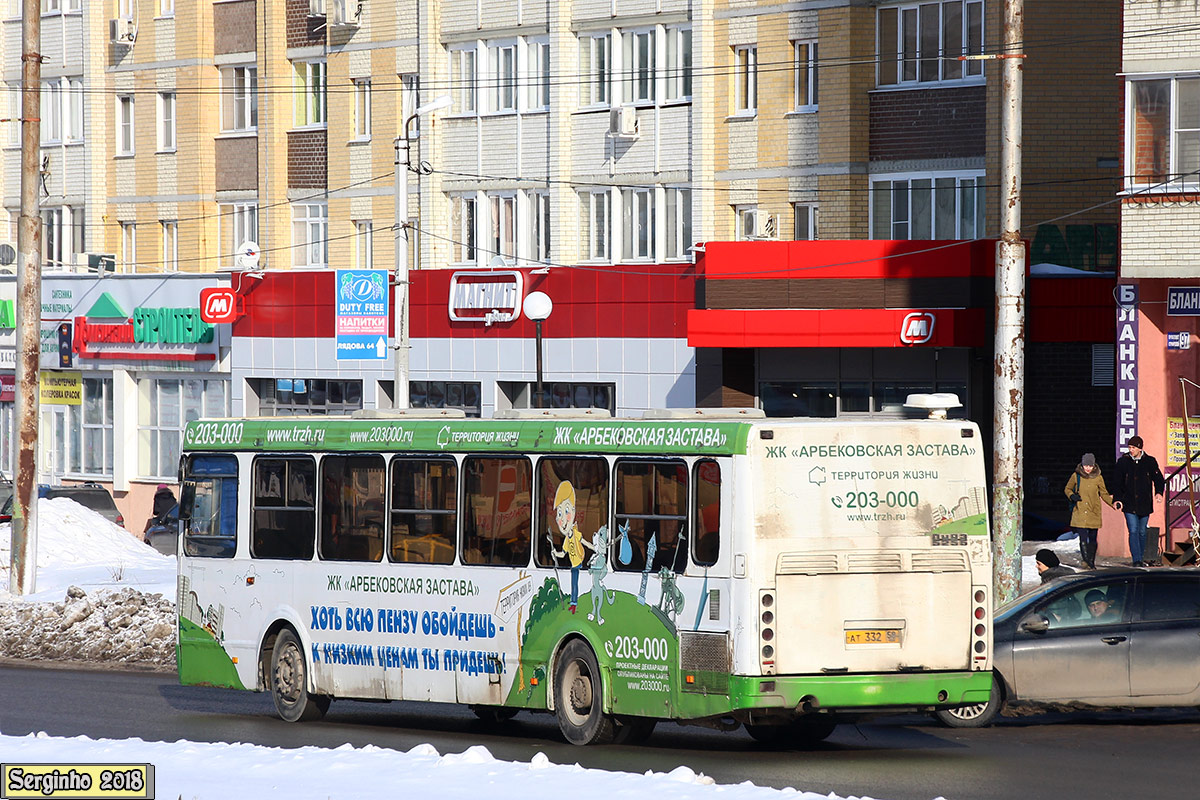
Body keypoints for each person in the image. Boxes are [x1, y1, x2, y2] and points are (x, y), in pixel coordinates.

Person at [1110, 435, 1166, 566]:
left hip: (1144, 503)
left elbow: (1158, 479)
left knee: (1142, 531)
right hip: (1128, 502)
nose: (1131, 450)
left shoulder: (1150, 461)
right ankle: (1136, 559)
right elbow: (1117, 482)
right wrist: (1117, 499)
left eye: (1133, 447)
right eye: (1129, 447)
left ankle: (1141, 558)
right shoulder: (1123, 462)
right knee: (1133, 530)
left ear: (1140, 448)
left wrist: (1158, 493)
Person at [1064, 453, 1114, 569]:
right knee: (1083, 537)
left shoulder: (1098, 477)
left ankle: (1091, 560)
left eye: (1090, 466)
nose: (1088, 468)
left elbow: (1104, 493)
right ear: (1082, 465)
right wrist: (1072, 496)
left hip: (1093, 511)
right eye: (1086, 465)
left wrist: (1113, 504)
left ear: (1094, 466)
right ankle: (1087, 562)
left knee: (1093, 538)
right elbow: (1067, 488)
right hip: (1080, 511)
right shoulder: (1076, 476)